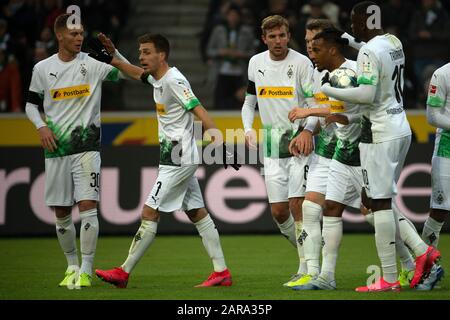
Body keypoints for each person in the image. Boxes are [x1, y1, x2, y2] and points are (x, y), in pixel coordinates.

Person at [89, 33, 240, 288]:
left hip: (178, 157)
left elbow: (199, 109)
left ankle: (123, 272)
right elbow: (136, 72)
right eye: (140, 52)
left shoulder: (174, 80)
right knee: (196, 212)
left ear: (162, 55)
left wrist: (220, 142)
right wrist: (114, 56)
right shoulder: (158, 79)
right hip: (173, 155)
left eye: (147, 52)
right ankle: (221, 272)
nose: (141, 56)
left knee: (149, 211)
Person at [320, 1, 441, 292]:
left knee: (379, 204)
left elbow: (365, 93)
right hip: (400, 126)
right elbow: (369, 45)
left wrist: (328, 88)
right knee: (376, 200)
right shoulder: (392, 41)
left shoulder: (368, 53)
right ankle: (421, 254)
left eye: (353, 21)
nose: (352, 26)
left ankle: (389, 277)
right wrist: (347, 40)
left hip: (379, 132)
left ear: (364, 20)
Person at [25, 13, 126, 288]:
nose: (79, 38)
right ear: (59, 35)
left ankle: (87, 268)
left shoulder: (92, 64)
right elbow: (31, 104)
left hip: (87, 148)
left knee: (88, 206)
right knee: (61, 213)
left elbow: (129, 73)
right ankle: (71, 264)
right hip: (57, 149)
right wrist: (41, 127)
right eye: (73, 34)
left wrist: (115, 53)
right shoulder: (43, 68)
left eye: (81, 33)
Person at [241, 15, 317, 287]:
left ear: (288, 35)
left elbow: (313, 104)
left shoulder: (301, 63)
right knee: (278, 212)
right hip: (272, 148)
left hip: (298, 146)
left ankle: (305, 267)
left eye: (282, 35)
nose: (278, 41)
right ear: (264, 39)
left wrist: (307, 131)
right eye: (272, 37)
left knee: (298, 206)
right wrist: (248, 128)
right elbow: (249, 103)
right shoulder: (255, 63)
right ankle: (308, 251)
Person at [416, 62, 450, 290]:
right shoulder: (442, 73)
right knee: (439, 210)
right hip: (447, 149)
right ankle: (428, 270)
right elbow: (432, 116)